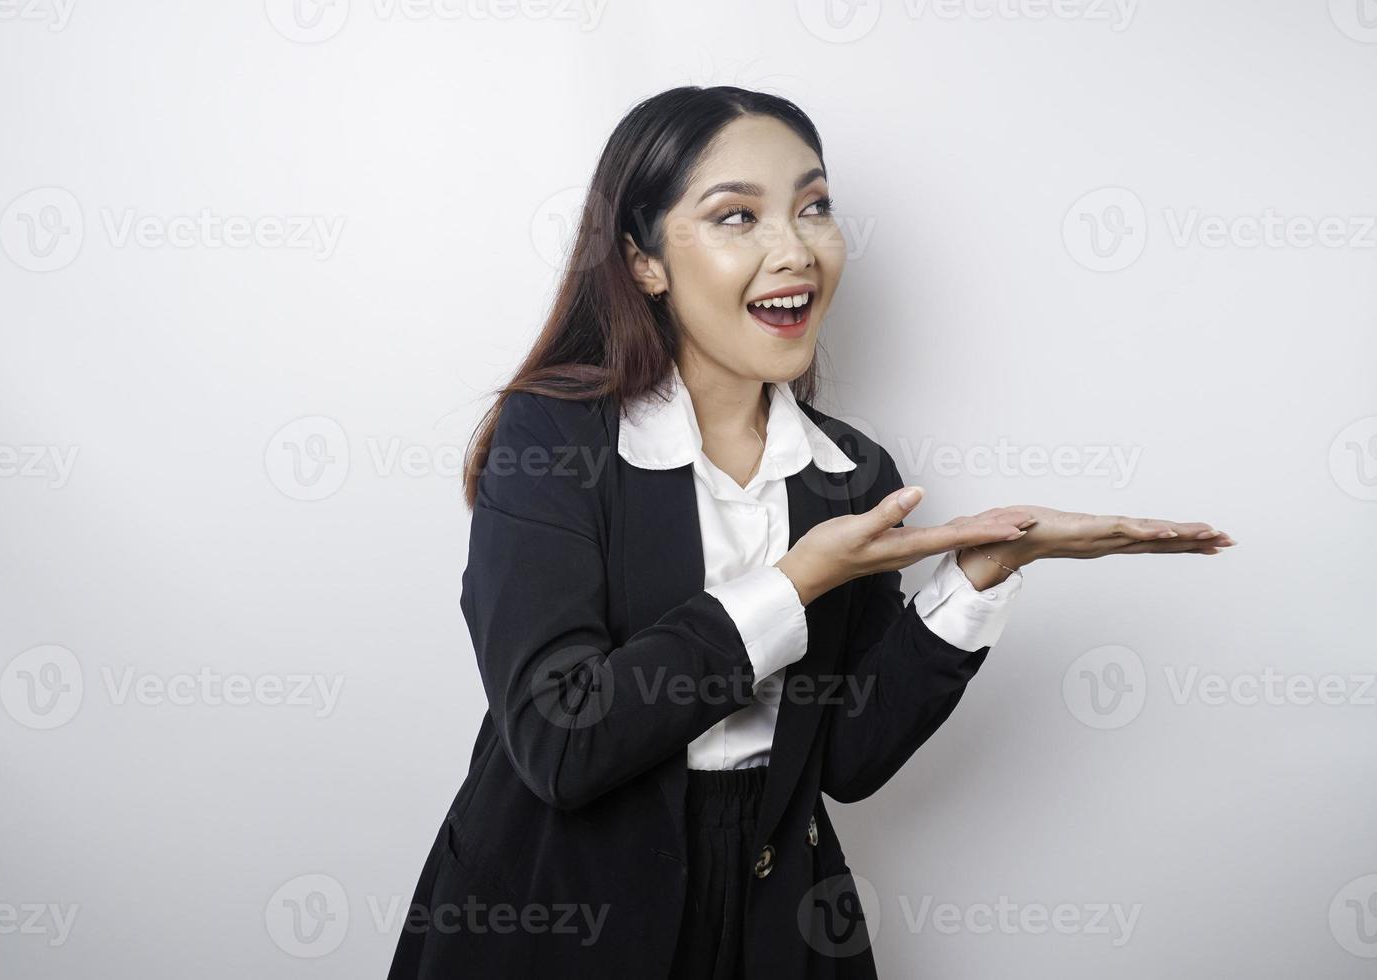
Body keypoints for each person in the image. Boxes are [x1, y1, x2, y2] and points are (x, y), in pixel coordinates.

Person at [387, 85, 1233, 980]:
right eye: (737, 216)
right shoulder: (555, 439)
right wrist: (793, 586)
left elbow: (847, 759)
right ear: (643, 261)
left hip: (772, 915)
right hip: (558, 919)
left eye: (814, 207)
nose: (794, 249)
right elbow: (561, 742)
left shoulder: (851, 474)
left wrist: (982, 574)